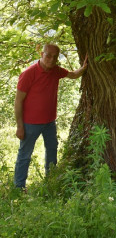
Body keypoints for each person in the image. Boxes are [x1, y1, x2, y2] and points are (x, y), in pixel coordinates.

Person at [14, 43, 88, 189]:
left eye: (55, 57)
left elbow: (73, 75)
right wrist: (20, 126)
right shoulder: (29, 73)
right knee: (25, 155)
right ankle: (19, 188)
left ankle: (51, 181)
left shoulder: (56, 71)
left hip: (49, 122)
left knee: (52, 149)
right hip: (30, 124)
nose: (51, 59)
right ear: (41, 55)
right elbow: (18, 101)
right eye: (48, 55)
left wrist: (84, 68)